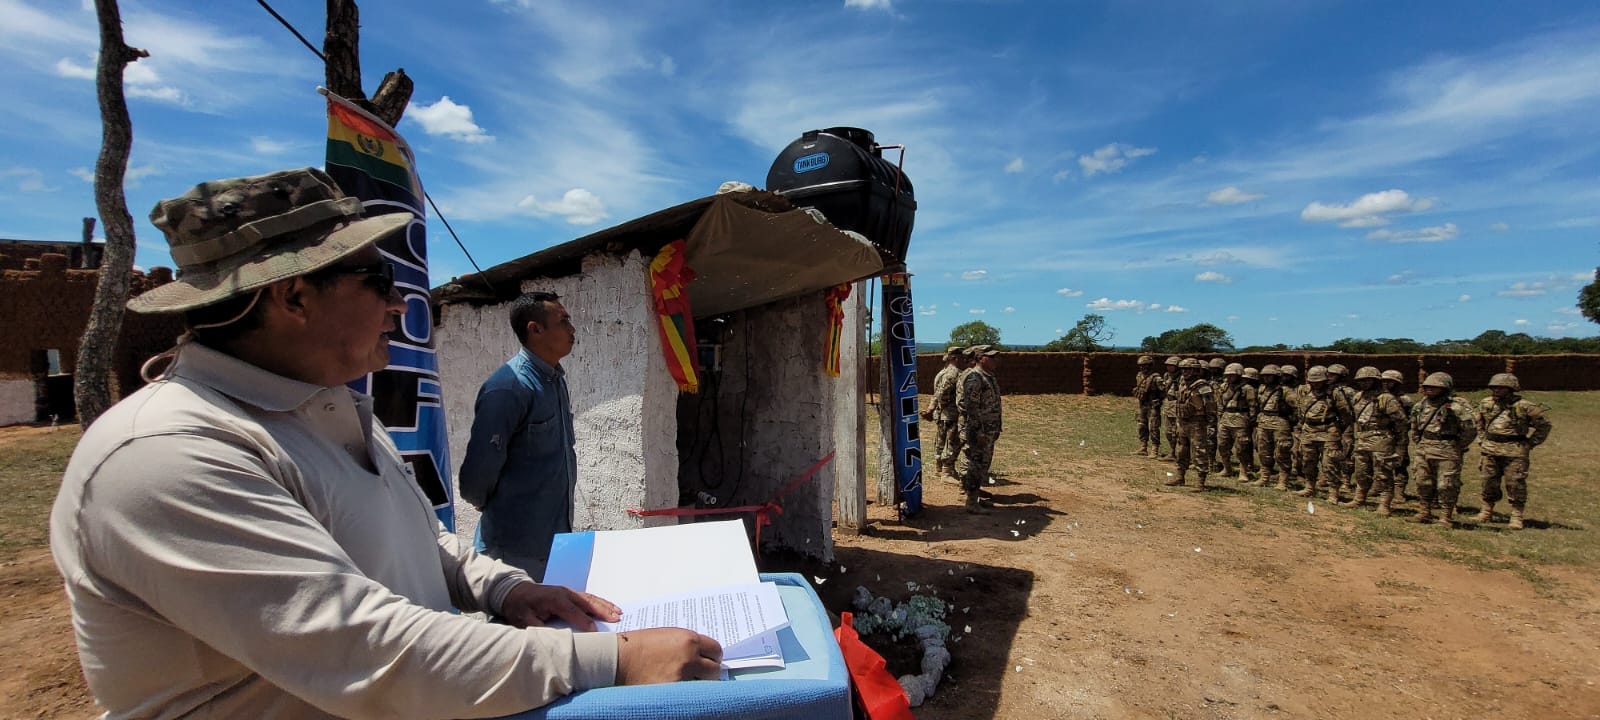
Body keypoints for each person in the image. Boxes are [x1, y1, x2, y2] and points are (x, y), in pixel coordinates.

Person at [49, 169, 721, 720]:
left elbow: (421, 542)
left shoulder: (331, 406)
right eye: (379, 283)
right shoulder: (168, 453)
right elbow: (364, 650)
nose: (401, 305)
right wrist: (618, 658)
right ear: (293, 297)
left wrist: (507, 591)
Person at [460, 291, 583, 579]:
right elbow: (476, 477)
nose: (572, 329)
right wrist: (484, 499)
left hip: (552, 544)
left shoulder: (554, 381)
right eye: (563, 321)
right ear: (535, 329)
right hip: (511, 553)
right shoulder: (509, 387)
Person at [1472, 373, 1552, 529]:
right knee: (1488, 481)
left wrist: (1530, 443)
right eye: (1494, 387)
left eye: (1501, 387)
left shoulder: (1525, 406)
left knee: (1515, 483)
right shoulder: (1486, 403)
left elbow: (1544, 426)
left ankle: (1517, 515)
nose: (1496, 390)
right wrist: (1482, 439)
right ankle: (1486, 511)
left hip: (1515, 451)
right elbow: (1478, 423)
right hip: (1490, 449)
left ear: (1511, 388)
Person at [1408, 372, 1478, 525]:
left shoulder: (1455, 406)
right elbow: (1414, 425)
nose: (1430, 389)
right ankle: (1424, 512)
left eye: (1435, 387)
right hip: (1424, 448)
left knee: (1446, 484)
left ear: (1445, 388)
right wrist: (1418, 442)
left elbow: (1470, 428)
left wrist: (1458, 445)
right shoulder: (1420, 405)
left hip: (1447, 449)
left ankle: (1446, 516)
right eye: (1427, 387)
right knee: (1422, 481)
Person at [1342, 367, 1408, 515]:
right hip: (1362, 437)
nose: (1364, 383)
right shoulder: (1358, 396)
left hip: (1381, 440)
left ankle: (1384, 504)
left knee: (1383, 473)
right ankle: (1359, 498)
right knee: (1361, 471)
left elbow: (1400, 422)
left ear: (1376, 381)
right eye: (1361, 381)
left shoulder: (1386, 398)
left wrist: (1400, 445)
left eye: (1368, 380)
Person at [956, 345, 1003, 514]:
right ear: (980, 358)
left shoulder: (988, 376)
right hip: (979, 430)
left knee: (983, 464)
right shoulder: (975, 378)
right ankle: (971, 502)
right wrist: (979, 432)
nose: (995, 360)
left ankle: (975, 497)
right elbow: (971, 408)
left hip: (989, 429)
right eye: (991, 357)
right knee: (975, 465)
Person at [1294, 366, 1346, 501]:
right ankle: (1309, 487)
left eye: (1318, 381)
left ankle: (1333, 493)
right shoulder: (1303, 391)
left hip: (1328, 430)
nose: (1315, 384)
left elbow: (1345, 414)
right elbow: (1299, 408)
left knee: (1330, 463)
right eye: (1312, 381)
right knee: (1308, 460)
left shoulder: (1334, 393)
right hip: (1308, 429)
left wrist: (1339, 429)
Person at [1164, 358, 1217, 491]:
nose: (1185, 372)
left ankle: (1200, 481)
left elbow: (1210, 406)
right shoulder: (1182, 384)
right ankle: (1180, 476)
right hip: (1183, 422)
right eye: (1183, 369)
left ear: (1195, 370)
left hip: (1197, 423)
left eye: (1188, 369)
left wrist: (1210, 424)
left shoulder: (1203, 386)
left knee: (1199, 451)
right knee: (1181, 450)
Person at [923, 345, 967, 481]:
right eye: (962, 358)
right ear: (955, 358)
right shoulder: (954, 373)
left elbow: (937, 393)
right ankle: (947, 472)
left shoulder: (943, 372)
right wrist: (944, 406)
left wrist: (932, 408)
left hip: (943, 413)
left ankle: (939, 469)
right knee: (952, 442)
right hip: (951, 414)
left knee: (941, 442)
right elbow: (942, 393)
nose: (964, 360)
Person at [1254, 365, 1296, 490]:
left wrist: (1293, 420)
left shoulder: (1285, 391)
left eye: (1269, 376)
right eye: (1264, 376)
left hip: (1280, 422)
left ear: (1276, 377)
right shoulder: (1262, 389)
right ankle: (1264, 477)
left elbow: (1297, 406)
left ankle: (1283, 480)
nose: (1266, 378)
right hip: (1263, 421)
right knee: (1263, 451)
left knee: (1282, 451)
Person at [1216, 363, 1258, 483]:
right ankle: (1227, 468)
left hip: (1241, 419)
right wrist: (1220, 415)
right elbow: (1219, 402)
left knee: (1242, 447)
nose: (1229, 377)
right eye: (1227, 375)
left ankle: (1243, 472)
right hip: (1226, 417)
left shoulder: (1247, 388)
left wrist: (1251, 419)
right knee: (1222, 444)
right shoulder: (1224, 386)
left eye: (1232, 375)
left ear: (1239, 375)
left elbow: (1252, 405)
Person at [1381, 369, 1416, 502]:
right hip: (1382, 435)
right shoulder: (1379, 397)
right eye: (1384, 381)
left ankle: (1399, 491)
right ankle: (1379, 487)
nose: (1386, 384)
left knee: (1400, 462)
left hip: (1399, 435)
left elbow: (1411, 418)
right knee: (1380, 461)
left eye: (1389, 381)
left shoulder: (1405, 400)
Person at [1132, 355, 1164, 457]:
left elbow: (1163, 391)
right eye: (1141, 365)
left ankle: (1154, 449)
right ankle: (1143, 447)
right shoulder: (1139, 376)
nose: (1142, 367)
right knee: (1141, 426)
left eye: (1145, 365)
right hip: (1142, 404)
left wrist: (1158, 400)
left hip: (1152, 406)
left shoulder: (1156, 378)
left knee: (1153, 427)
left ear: (1150, 365)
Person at [1159, 356, 1183, 460]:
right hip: (1168, 404)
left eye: (1172, 365)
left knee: (1178, 431)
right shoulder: (1167, 376)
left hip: (1177, 404)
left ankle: (1182, 454)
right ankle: (1172, 452)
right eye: (1168, 365)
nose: (1169, 367)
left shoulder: (1182, 377)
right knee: (1168, 431)